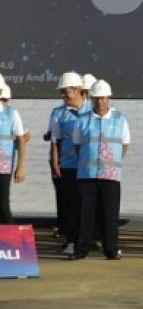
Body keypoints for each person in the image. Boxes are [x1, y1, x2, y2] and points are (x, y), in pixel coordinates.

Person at [70, 80, 129, 260]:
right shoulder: (82, 120)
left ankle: (111, 249)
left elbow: (124, 145)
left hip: (110, 175)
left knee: (110, 215)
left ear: (109, 98)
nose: (100, 102)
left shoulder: (120, 119)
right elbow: (77, 145)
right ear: (91, 99)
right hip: (87, 175)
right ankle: (81, 250)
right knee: (85, 215)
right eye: (96, 98)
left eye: (103, 98)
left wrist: (110, 162)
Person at [50, 72, 91, 256]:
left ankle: (86, 240)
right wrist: (55, 162)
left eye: (65, 91)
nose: (63, 95)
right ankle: (71, 240)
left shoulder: (92, 109)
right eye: (62, 91)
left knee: (86, 205)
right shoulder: (58, 113)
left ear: (76, 90)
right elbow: (55, 140)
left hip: (88, 166)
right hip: (68, 166)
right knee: (70, 206)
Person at [0, 77, 27, 224]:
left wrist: (20, 166)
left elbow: (22, 139)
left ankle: (10, 235)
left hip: (3, 168)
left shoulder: (11, 113)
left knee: (3, 205)